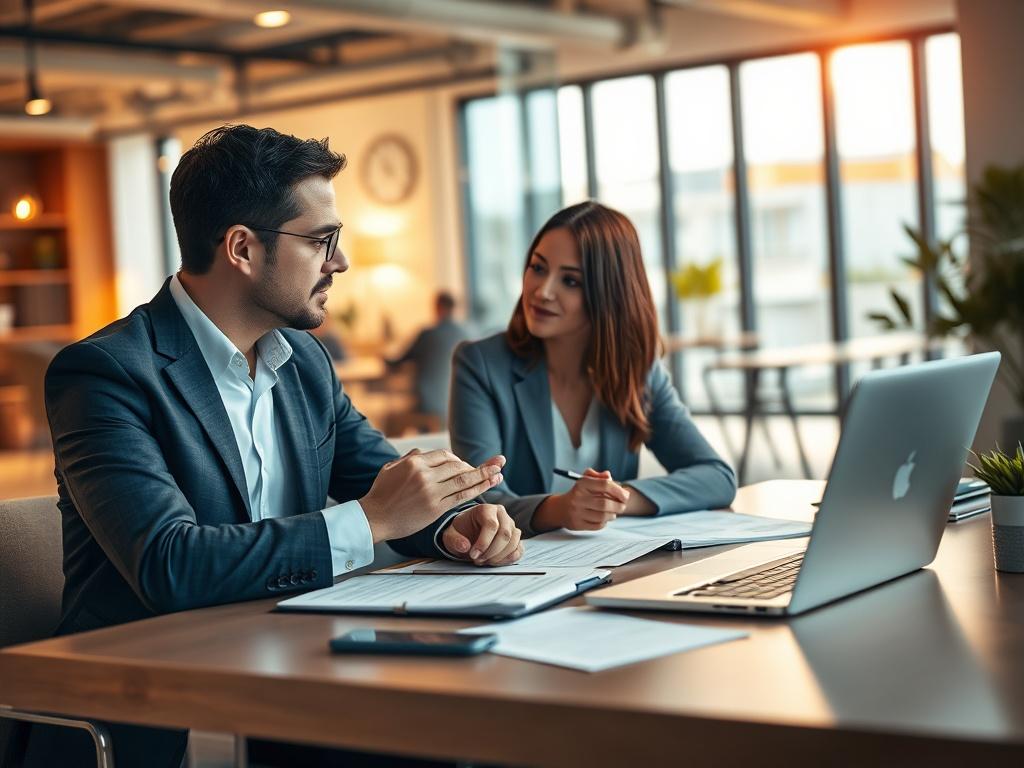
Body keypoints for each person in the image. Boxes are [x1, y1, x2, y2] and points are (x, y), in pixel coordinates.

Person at [20, 125, 522, 768]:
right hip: (149, 711)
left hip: (294, 674)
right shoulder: (106, 374)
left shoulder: (304, 362)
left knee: (456, 731)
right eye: (321, 241)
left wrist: (457, 524)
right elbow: (169, 564)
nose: (339, 263)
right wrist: (371, 520)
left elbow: (384, 477)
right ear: (242, 249)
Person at [449, 201, 737, 537]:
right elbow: (480, 499)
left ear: (609, 293)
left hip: (610, 562)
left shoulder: (637, 369)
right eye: (538, 268)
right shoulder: (480, 365)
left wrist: (616, 501)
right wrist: (561, 508)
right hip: (519, 569)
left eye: (570, 281)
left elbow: (717, 477)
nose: (543, 291)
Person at [387, 291, 470, 422]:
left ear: (438, 308)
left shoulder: (427, 335)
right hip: (456, 404)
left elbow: (400, 361)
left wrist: (385, 360)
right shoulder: (465, 335)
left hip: (427, 403)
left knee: (389, 419)